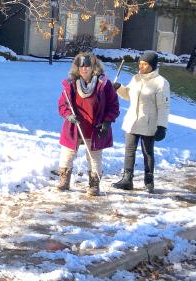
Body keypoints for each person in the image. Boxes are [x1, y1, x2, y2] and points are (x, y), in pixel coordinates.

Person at [57, 52, 120, 196]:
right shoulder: (71, 84)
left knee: (94, 157)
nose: (84, 69)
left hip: (95, 128)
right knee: (67, 154)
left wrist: (107, 122)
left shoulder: (103, 84)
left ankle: (94, 184)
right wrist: (68, 115)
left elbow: (114, 106)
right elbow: (62, 105)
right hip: (75, 127)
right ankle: (64, 180)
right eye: (81, 66)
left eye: (87, 66)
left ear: (93, 67)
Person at [112, 51, 170, 193]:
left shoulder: (161, 83)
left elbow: (163, 106)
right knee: (129, 151)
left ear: (152, 65)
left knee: (147, 152)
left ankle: (149, 181)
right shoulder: (136, 78)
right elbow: (128, 95)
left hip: (149, 123)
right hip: (132, 121)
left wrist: (162, 126)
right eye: (140, 64)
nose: (141, 67)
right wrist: (119, 88)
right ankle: (127, 179)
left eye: (145, 64)